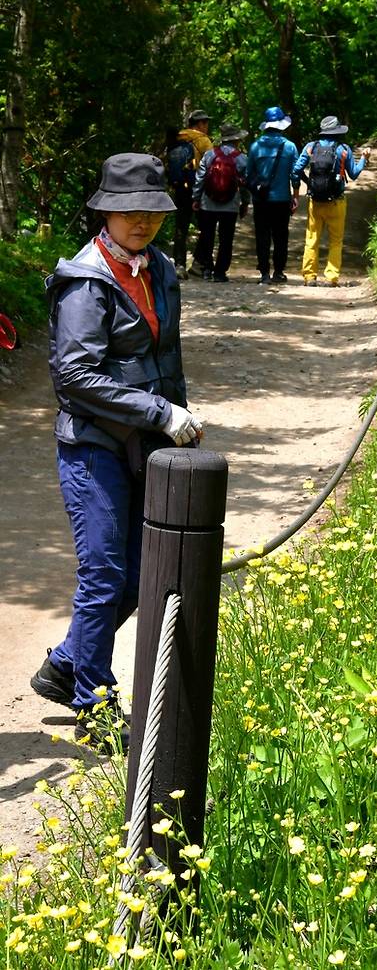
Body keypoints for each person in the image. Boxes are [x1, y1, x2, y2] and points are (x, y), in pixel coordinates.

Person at [30, 153, 203, 752]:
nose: (143, 221)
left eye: (152, 210)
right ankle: (94, 702)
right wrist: (161, 414)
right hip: (94, 449)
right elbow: (74, 378)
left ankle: (65, 664)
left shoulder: (160, 269)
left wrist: (181, 420)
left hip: (147, 445)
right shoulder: (85, 281)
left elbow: (166, 359)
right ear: (105, 210)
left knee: (137, 579)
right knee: (105, 574)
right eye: (130, 210)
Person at [292, 116, 370, 287]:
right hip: (337, 202)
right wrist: (364, 158)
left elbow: (296, 169)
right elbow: (354, 173)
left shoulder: (310, 147)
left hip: (315, 202)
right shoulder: (343, 149)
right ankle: (331, 278)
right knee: (335, 241)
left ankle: (309, 277)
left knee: (312, 239)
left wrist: (306, 183)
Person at [246, 106, 299, 284]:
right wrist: (296, 196)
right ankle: (278, 272)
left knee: (262, 236)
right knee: (280, 236)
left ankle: (264, 274)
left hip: (261, 200)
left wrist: (253, 194)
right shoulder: (290, 147)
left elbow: (248, 175)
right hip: (282, 199)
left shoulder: (255, 146)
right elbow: (295, 174)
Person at [192, 123, 250, 282]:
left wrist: (196, 198)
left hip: (207, 203)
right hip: (230, 205)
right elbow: (245, 185)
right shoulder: (242, 158)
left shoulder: (209, 155)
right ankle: (220, 272)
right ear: (236, 140)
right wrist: (245, 203)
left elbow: (200, 179)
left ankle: (207, 269)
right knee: (226, 239)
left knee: (207, 236)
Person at [168, 109, 213, 279]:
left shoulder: (177, 138)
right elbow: (211, 165)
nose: (207, 126)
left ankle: (179, 265)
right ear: (200, 124)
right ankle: (198, 263)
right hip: (198, 189)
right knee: (206, 227)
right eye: (206, 123)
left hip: (180, 188)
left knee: (181, 226)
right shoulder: (202, 140)